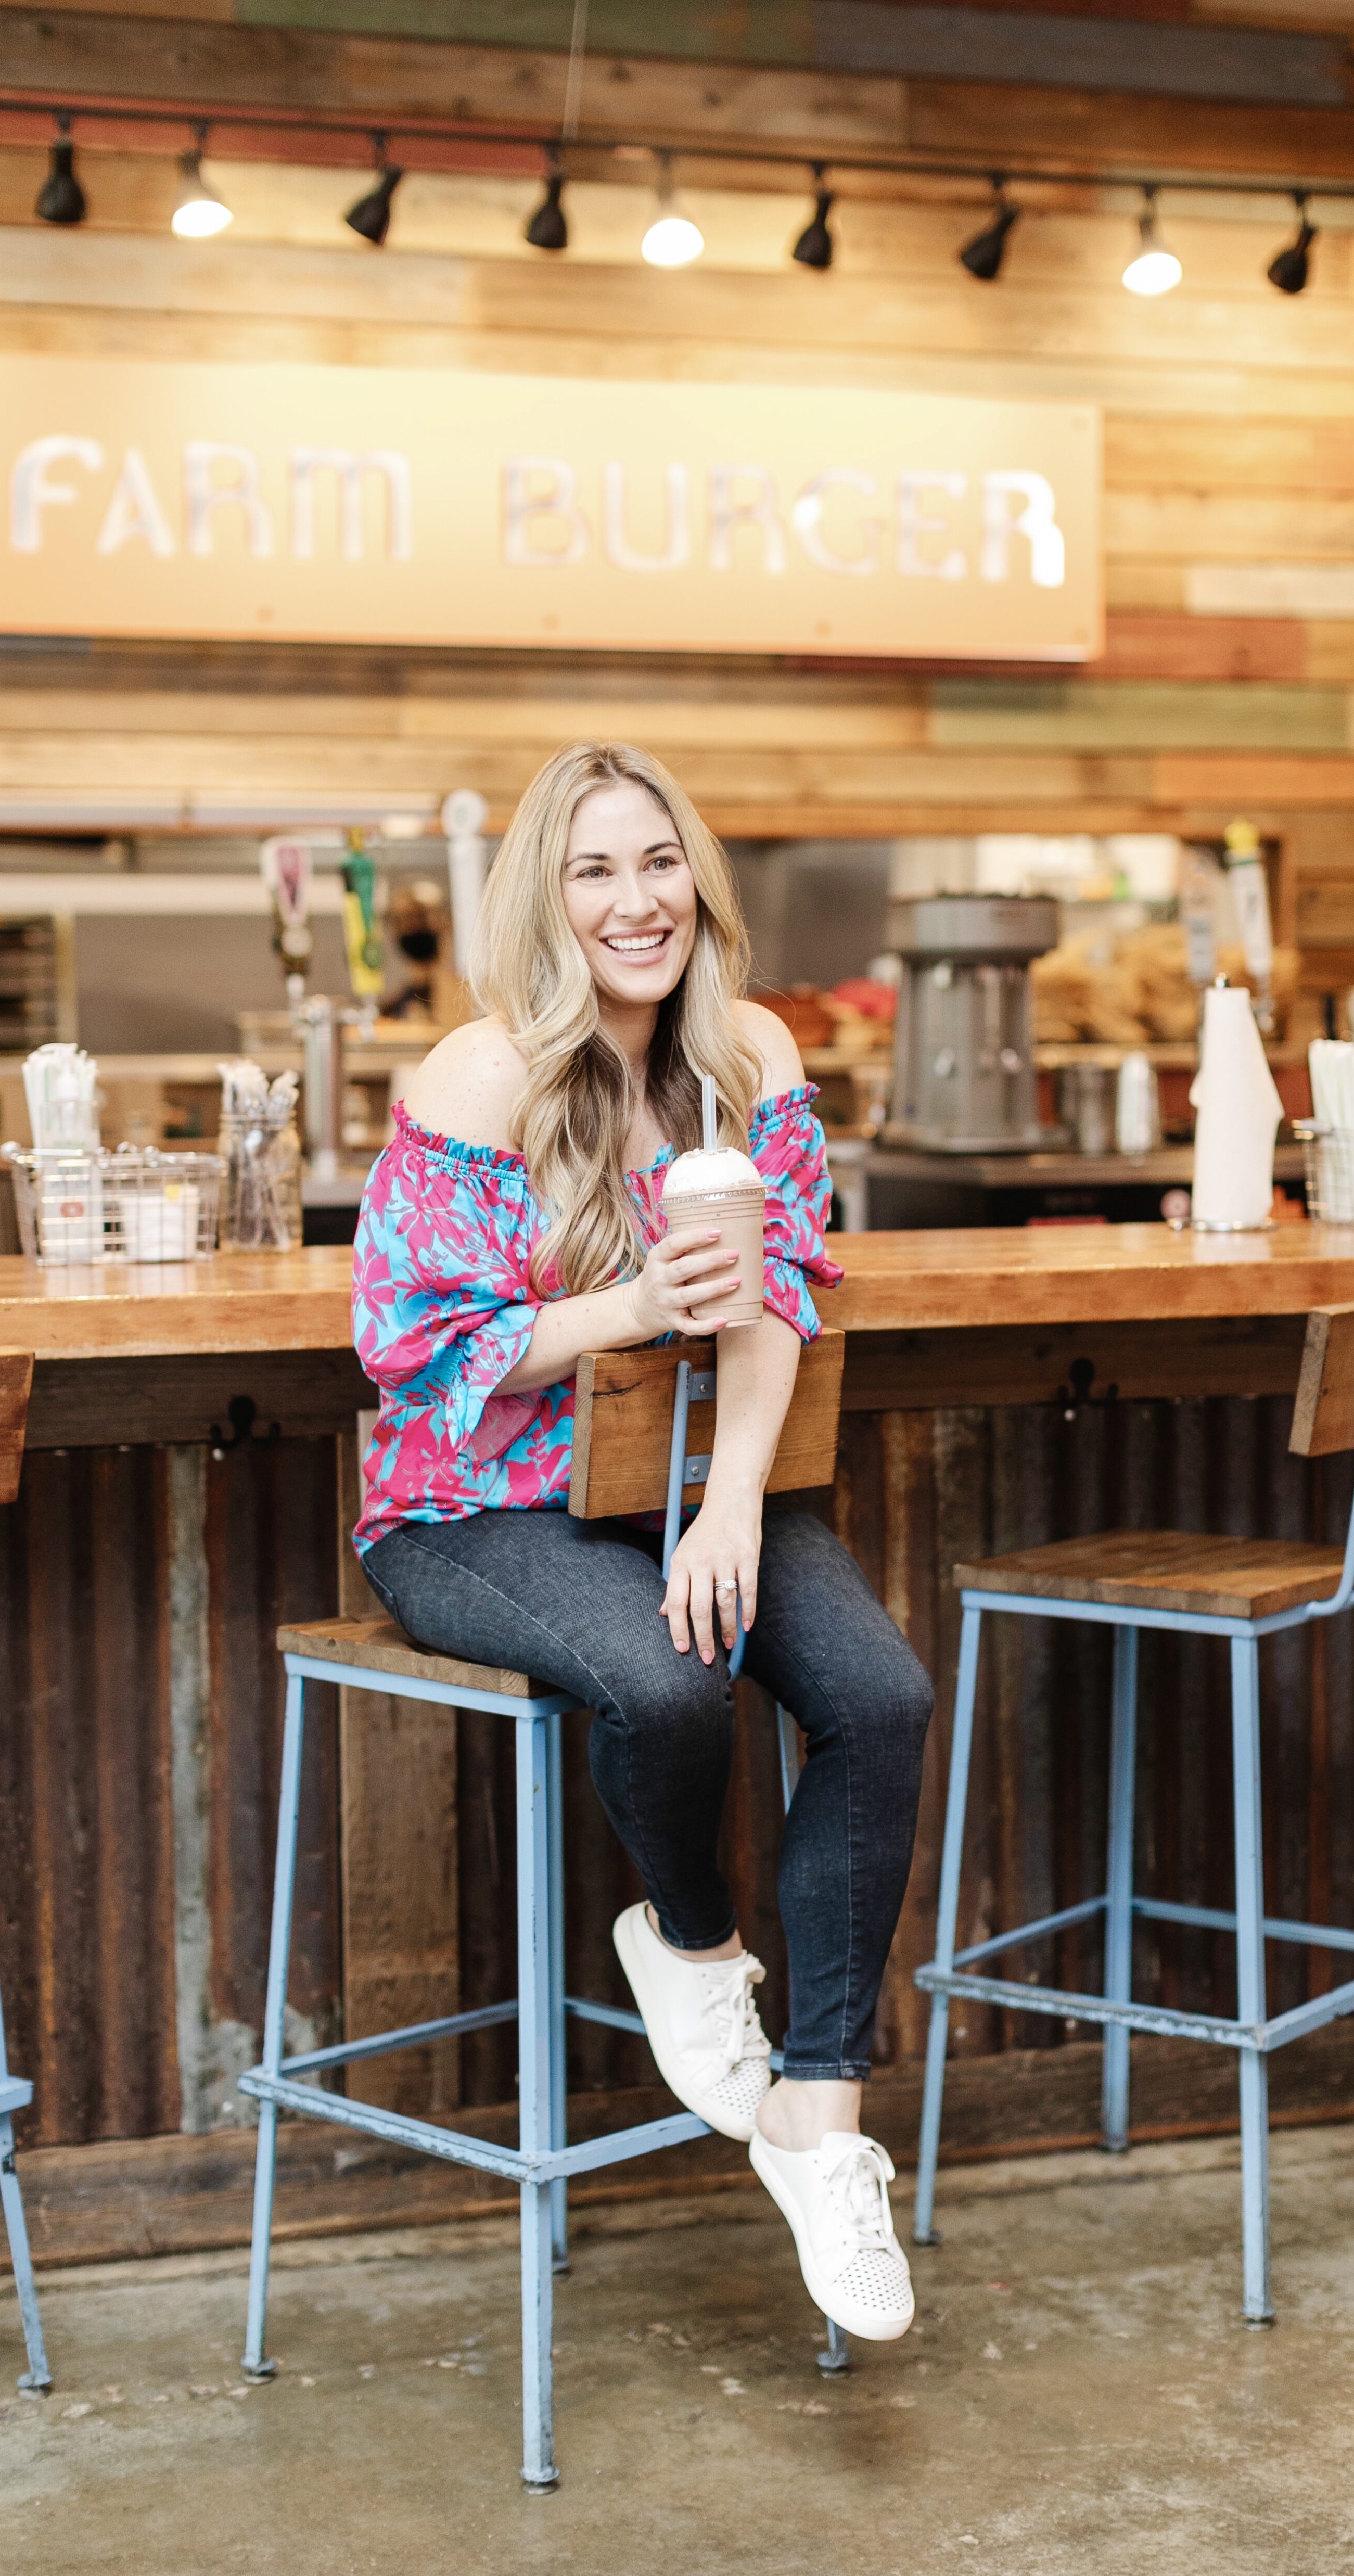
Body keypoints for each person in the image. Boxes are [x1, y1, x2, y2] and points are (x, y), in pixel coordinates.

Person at [351, 741, 934, 2343]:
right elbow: (406, 1342)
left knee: (878, 1699)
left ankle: (820, 2121)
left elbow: (781, 1299)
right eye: (594, 870)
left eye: (658, 862)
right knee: (673, 1689)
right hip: (471, 1504)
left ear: (699, 881)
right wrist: (625, 1304)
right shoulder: (484, 1077)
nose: (634, 899)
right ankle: (689, 1946)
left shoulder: (751, 1053)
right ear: (548, 898)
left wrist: (736, 1500)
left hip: (684, 1480)